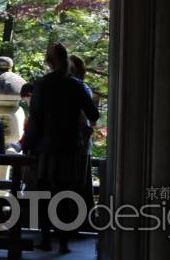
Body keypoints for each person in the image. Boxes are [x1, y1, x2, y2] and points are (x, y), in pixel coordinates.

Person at [23, 42, 99, 253]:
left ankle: (46, 238)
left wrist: (27, 144)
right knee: (65, 193)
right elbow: (93, 115)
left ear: (50, 62)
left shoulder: (42, 84)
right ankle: (64, 241)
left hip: (45, 148)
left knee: (44, 193)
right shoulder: (77, 85)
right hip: (69, 148)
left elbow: (36, 119)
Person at [69, 54, 97, 218]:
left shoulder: (78, 88)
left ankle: (75, 220)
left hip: (77, 143)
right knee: (81, 185)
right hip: (82, 142)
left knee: (76, 184)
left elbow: (89, 118)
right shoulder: (83, 87)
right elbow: (92, 118)